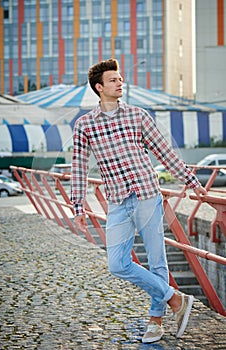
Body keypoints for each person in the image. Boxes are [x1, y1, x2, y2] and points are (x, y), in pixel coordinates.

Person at [71, 58, 207, 343]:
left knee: (158, 262)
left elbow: (165, 153)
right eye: (113, 80)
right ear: (99, 87)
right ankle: (175, 299)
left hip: (147, 195)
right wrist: (77, 204)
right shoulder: (85, 125)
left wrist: (192, 183)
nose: (120, 83)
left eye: (120, 79)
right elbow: (79, 167)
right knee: (117, 264)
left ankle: (155, 322)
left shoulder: (138, 116)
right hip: (118, 201)